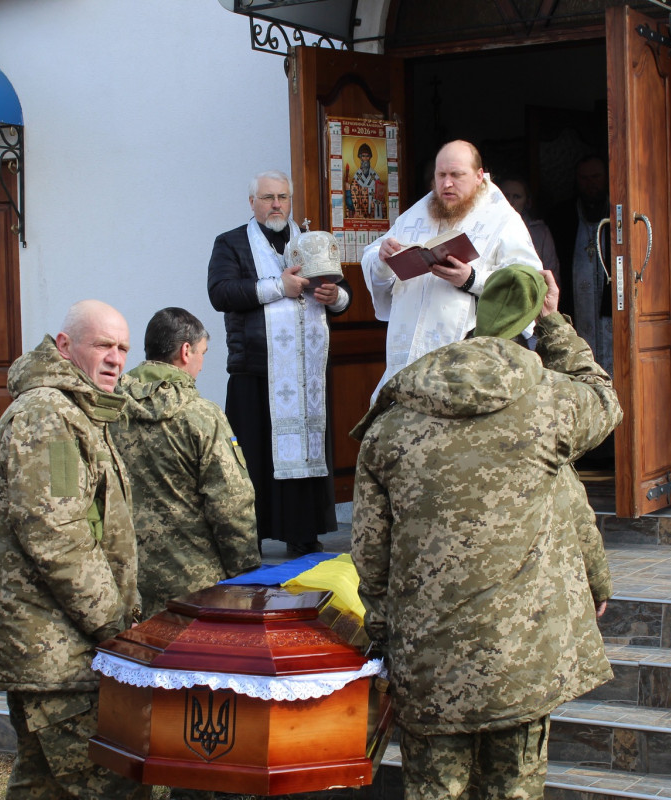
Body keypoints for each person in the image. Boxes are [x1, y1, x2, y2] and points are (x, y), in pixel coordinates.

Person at [350, 265, 622, 800]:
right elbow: (601, 398)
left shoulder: (390, 424)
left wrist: (385, 637)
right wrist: (555, 324)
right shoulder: (546, 408)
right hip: (522, 654)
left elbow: (370, 554)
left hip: (428, 662)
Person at [0, 299, 147, 800]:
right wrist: (115, 627)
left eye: (123, 348)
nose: (115, 359)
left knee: (43, 786)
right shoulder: (50, 415)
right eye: (103, 345)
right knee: (111, 785)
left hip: (56, 645)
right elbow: (57, 535)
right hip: (54, 651)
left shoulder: (77, 411)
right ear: (64, 347)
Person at [207, 170, 351, 557]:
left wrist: (334, 295)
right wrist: (277, 288)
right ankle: (248, 537)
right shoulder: (232, 243)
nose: (276, 205)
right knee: (253, 456)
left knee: (304, 450)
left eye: (283, 198)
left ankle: (302, 533)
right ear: (251, 202)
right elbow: (220, 293)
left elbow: (343, 294)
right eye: (268, 197)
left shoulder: (310, 242)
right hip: (255, 367)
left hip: (304, 370)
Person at [360, 140, 542, 401]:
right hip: (405, 360)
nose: (446, 184)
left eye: (456, 175)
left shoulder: (503, 220)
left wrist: (471, 279)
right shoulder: (416, 214)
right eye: (441, 175)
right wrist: (383, 257)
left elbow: (528, 285)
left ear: (479, 176)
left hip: (466, 366)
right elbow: (373, 260)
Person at [112, 307, 260, 617]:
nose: (202, 365)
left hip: (124, 584)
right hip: (196, 587)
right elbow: (231, 504)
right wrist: (246, 577)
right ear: (186, 350)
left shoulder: (109, 409)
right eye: (203, 353)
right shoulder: (202, 416)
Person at [549, 154, 612, 375]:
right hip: (576, 306)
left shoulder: (617, 210)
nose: (590, 183)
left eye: (596, 176)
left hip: (610, 311)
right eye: (584, 178)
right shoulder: (562, 215)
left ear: (606, 177)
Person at [499, 175, 559, 284]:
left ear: (527, 201)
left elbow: (550, 271)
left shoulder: (540, 232)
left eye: (517, 196)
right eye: (505, 196)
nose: (510, 201)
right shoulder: (485, 226)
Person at [344, 142, 386, 219]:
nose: (365, 159)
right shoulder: (356, 179)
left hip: (373, 217)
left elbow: (381, 200)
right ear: (360, 157)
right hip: (361, 217)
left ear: (370, 157)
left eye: (367, 156)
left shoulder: (375, 177)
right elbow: (351, 204)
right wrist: (347, 191)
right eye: (363, 156)